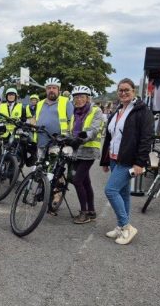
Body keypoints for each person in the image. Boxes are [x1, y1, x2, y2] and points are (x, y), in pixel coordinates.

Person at [99, 78, 153, 245]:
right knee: (123, 194)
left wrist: (140, 163)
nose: (123, 93)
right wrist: (106, 160)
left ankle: (126, 226)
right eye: (120, 90)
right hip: (115, 159)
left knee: (111, 190)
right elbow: (110, 137)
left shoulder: (142, 111)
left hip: (128, 160)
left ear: (133, 91)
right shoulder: (117, 111)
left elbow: (146, 139)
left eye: (126, 90)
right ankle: (121, 227)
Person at [68, 85, 102, 224]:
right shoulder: (75, 112)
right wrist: (64, 138)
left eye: (82, 96)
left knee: (77, 181)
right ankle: (91, 211)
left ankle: (84, 213)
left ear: (88, 98)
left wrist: (81, 139)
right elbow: (71, 131)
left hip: (89, 151)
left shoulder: (96, 111)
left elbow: (93, 130)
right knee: (86, 182)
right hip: (76, 152)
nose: (79, 99)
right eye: (76, 97)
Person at [34, 77, 72, 150]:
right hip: (41, 142)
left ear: (58, 90)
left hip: (58, 143)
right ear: (46, 90)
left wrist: (68, 139)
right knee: (39, 161)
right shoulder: (39, 103)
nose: (51, 90)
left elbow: (73, 121)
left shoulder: (66, 102)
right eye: (49, 88)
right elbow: (35, 119)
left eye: (54, 88)